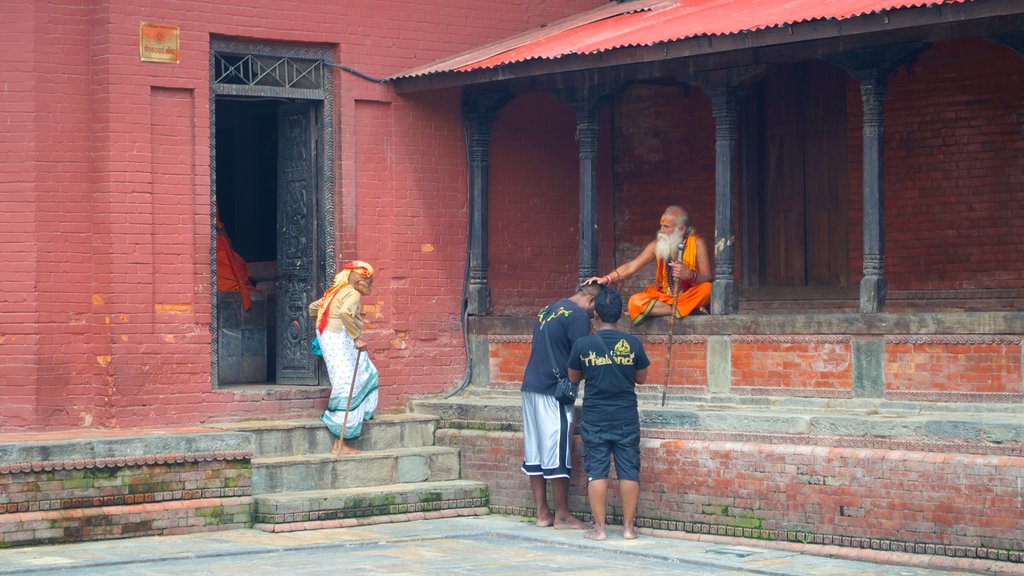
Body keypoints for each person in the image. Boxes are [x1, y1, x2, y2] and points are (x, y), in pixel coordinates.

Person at [567, 287, 650, 541]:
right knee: (628, 471)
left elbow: (573, 378)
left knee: (597, 471)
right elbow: (642, 379)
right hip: (625, 416)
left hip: (596, 417)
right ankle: (628, 529)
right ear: (621, 314)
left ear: (596, 314)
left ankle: (600, 530)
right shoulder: (633, 343)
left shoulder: (583, 345)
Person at [520, 282, 601, 529]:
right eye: (595, 310)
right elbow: (581, 355)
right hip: (552, 391)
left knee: (535, 450)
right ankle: (563, 515)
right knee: (557, 451)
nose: (594, 315)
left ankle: (543, 513)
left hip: (531, 385)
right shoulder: (577, 315)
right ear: (590, 301)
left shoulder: (547, 309)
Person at [585, 205, 711, 325]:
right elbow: (631, 266)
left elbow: (708, 278)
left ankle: (682, 307)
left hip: (688, 295)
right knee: (635, 302)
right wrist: (607, 278)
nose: (661, 231)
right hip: (665, 297)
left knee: (708, 289)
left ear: (682, 229)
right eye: (661, 226)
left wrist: (690, 275)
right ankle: (688, 309)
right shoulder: (656, 245)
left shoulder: (697, 244)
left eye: (666, 227)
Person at [308, 260, 379, 454]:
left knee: (366, 370)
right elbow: (346, 312)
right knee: (348, 383)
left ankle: (357, 419)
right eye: (368, 282)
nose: (370, 286)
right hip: (339, 337)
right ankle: (340, 443)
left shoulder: (335, 291)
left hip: (331, 336)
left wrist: (322, 327)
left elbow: (314, 308)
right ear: (358, 282)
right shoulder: (353, 293)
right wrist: (356, 338)